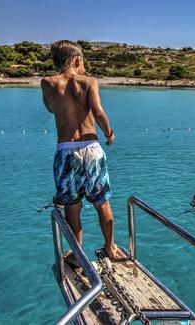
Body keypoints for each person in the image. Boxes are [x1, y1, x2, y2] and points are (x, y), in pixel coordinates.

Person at [41, 40, 118, 265]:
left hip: (66, 151)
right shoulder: (88, 82)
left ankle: (77, 255)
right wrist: (109, 133)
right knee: (102, 202)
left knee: (72, 207)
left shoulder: (47, 83)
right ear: (77, 60)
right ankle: (110, 248)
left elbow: (50, 108)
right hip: (91, 147)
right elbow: (98, 111)